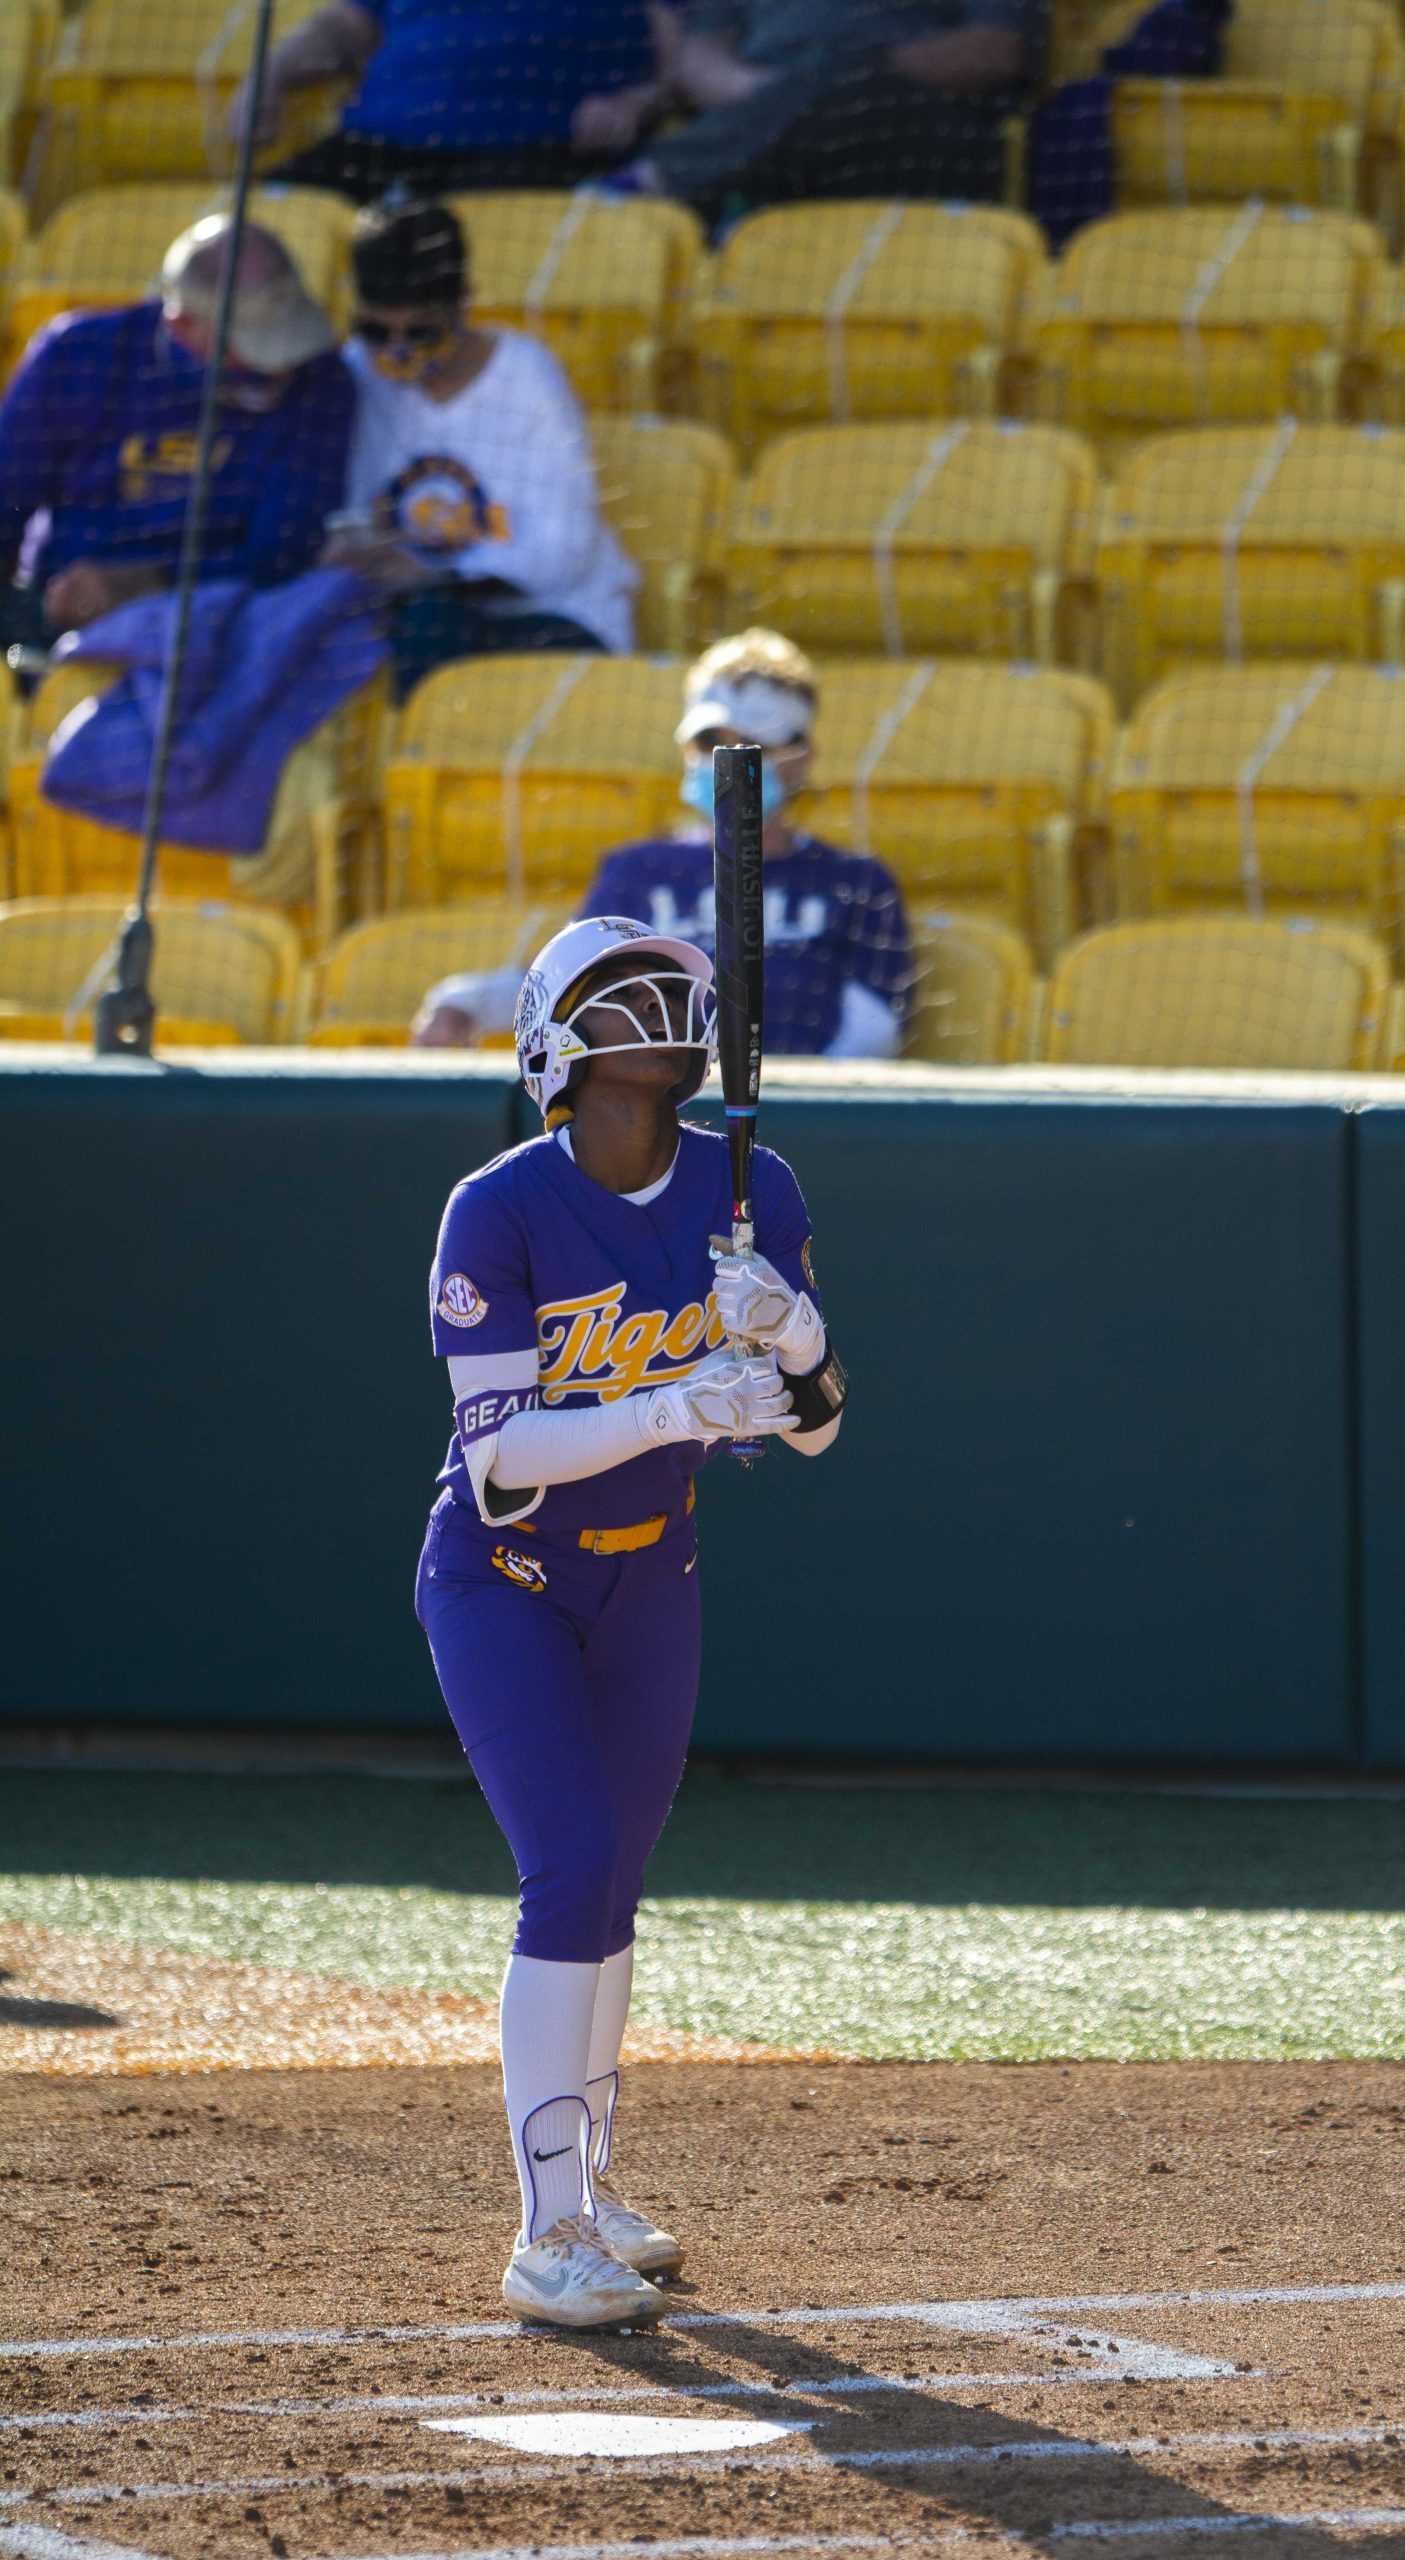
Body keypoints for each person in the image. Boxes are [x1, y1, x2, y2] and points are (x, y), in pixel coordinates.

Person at [417, 912, 846, 2326]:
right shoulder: (497, 1206)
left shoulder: (750, 1184)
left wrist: (790, 1338)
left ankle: (590, 2190)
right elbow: (498, 1457)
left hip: (654, 1572)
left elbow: (817, 1435)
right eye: (614, 1004)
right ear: (551, 1042)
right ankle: (544, 2235)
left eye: (661, 1005)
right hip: (507, 1579)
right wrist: (671, 1403)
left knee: (616, 1890)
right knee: (572, 1866)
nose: (646, 1024)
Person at [411, 630, 913, 1052]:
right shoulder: (636, 871)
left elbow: (871, 1037)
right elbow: (568, 984)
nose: (728, 758)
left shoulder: (859, 884)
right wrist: (464, 1003)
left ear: (802, 755)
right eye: (711, 741)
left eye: (751, 743)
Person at [324, 193, 636, 703]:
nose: (397, 351)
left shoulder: (526, 375)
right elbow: (353, 509)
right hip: (409, 618)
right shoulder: (357, 371)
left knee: (431, 621)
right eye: (377, 330)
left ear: (464, 303)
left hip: (550, 617)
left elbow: (565, 552)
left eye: (421, 332)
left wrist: (442, 575)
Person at [0, 218, 353, 665]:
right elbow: (5, 501)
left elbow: (281, 554)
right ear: (182, 325)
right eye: (253, 347)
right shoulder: (76, 356)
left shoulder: (321, 383)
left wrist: (144, 582)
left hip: (220, 621)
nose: (282, 367)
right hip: (58, 610)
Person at [608, 0, 1047, 221]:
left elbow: (999, 50)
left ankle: (651, 181)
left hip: (906, 121)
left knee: (848, 80)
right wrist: (777, 95)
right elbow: (698, 56)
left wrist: (861, 72)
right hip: (757, 113)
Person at [241, 0, 675, 202]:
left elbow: (680, 59)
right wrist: (266, 78)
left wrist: (635, 104)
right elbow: (342, 26)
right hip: (381, 140)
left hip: (538, 147)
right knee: (273, 212)